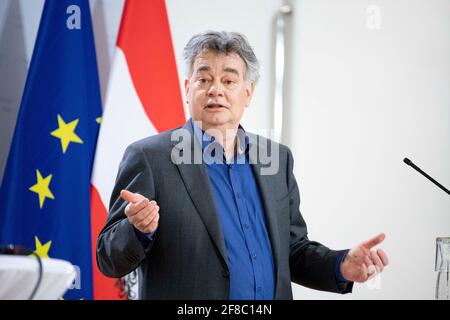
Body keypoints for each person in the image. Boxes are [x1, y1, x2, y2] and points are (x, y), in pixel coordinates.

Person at [96, 31, 389, 300]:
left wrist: (340, 265)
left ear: (247, 93)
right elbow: (107, 258)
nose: (215, 90)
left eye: (228, 80)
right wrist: (136, 230)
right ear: (188, 89)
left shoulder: (277, 159)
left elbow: (293, 251)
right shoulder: (150, 157)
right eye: (204, 79)